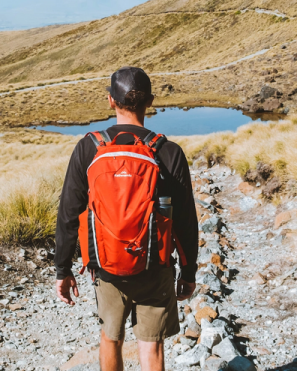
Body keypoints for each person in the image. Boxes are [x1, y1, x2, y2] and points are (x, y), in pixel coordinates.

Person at [55, 66, 199, 371]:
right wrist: (188, 271)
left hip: (105, 266)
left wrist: (62, 269)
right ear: (150, 102)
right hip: (154, 266)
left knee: (110, 337)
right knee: (152, 346)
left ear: (110, 100)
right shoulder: (169, 152)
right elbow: (185, 220)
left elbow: (69, 211)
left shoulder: (89, 148)